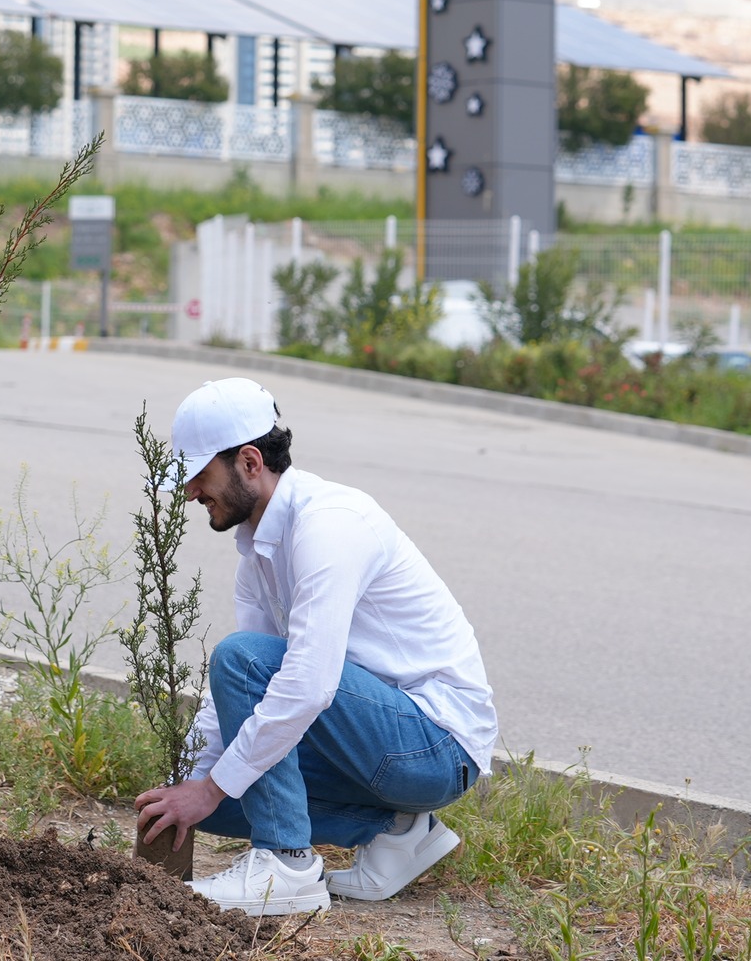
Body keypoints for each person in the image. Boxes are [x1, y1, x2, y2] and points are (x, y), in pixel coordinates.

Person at [134, 378, 497, 917]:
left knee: (239, 667)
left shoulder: (329, 527)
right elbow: (239, 698)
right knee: (208, 802)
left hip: (435, 745)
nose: (189, 492)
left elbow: (306, 683)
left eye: (198, 475)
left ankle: (286, 868)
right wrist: (194, 779)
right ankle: (399, 829)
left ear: (250, 462)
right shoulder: (257, 550)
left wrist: (212, 783)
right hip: (374, 740)